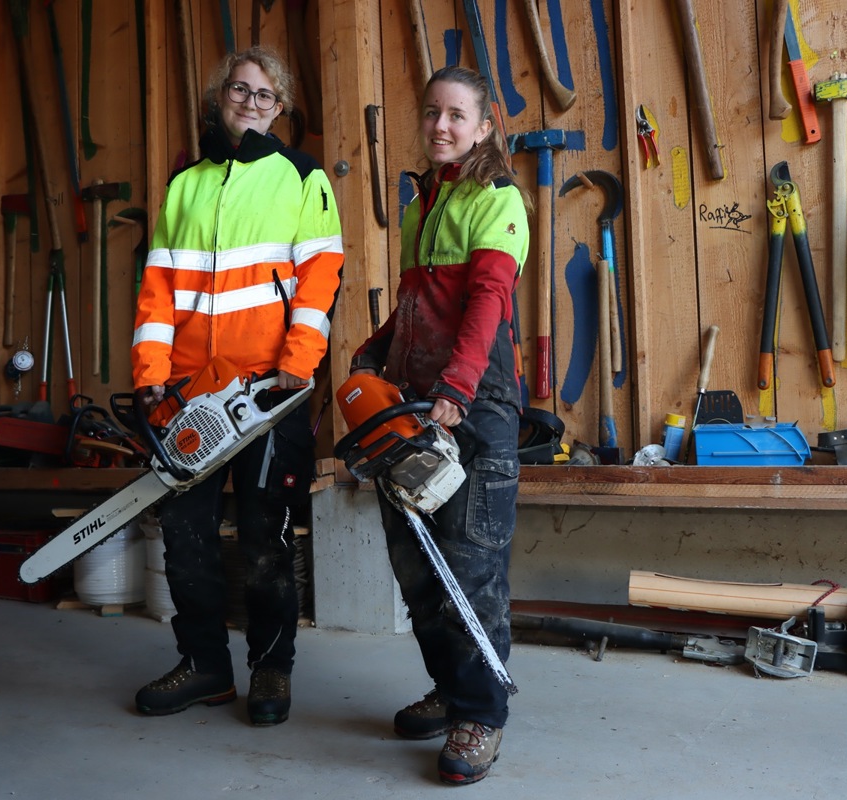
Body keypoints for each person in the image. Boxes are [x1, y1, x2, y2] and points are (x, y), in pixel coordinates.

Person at [130, 46, 343, 726]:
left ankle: (271, 671)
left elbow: (319, 279)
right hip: (191, 390)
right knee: (186, 536)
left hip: (269, 391)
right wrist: (150, 379)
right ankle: (205, 666)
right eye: (239, 90)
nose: (250, 102)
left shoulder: (303, 177)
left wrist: (299, 359)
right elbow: (157, 292)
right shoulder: (184, 185)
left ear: (280, 107)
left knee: (266, 537)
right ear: (219, 96)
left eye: (263, 94)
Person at [346, 65, 530, 785]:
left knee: (470, 570)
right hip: (413, 401)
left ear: (483, 126)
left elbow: (486, 300)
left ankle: (480, 715)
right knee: (416, 567)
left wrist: (455, 388)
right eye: (432, 114)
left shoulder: (496, 198)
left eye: (458, 115)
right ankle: (451, 690)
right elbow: (427, 297)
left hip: (473, 404)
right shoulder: (425, 201)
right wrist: (382, 342)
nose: (442, 126)